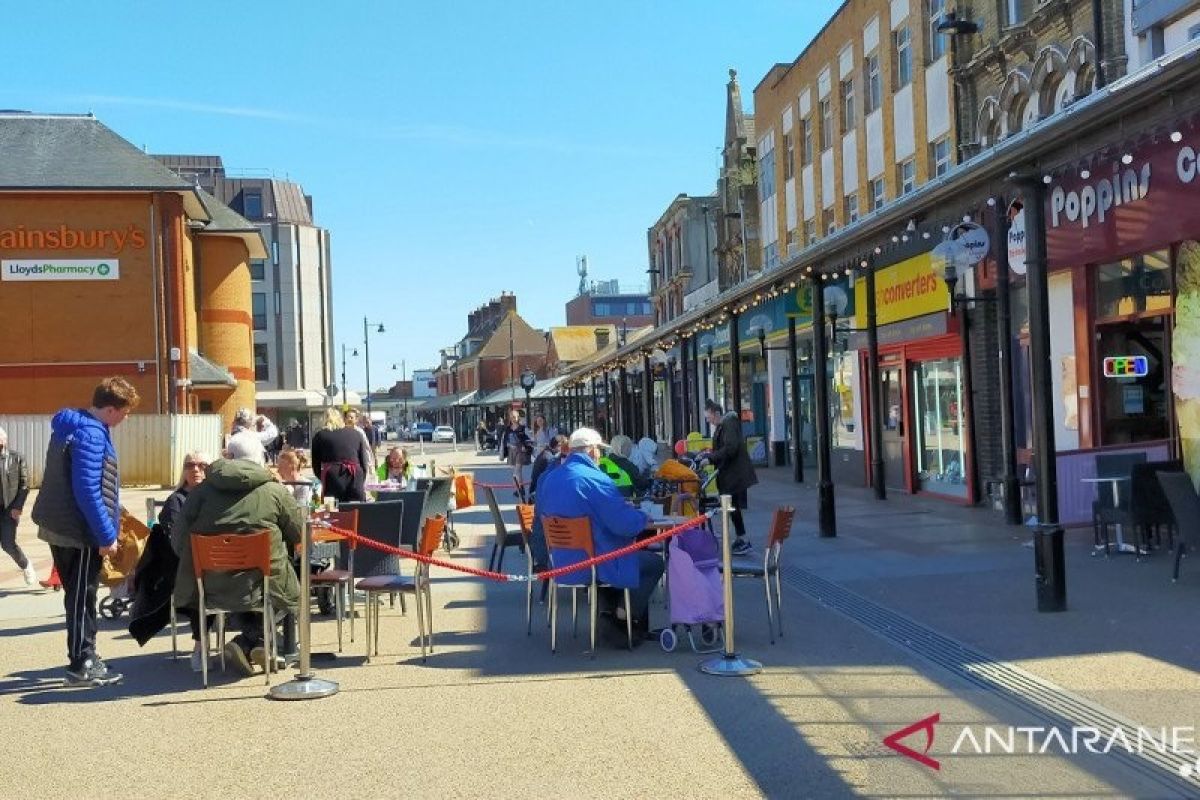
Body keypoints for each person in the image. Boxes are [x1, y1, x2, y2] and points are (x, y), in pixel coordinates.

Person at [31, 377, 139, 687]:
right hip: (77, 531)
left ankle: (86, 656)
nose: (126, 417)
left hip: (61, 524)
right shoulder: (91, 434)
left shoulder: (74, 424)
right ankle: (82, 663)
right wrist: (106, 536)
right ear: (109, 409)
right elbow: (88, 490)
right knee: (81, 598)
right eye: (124, 411)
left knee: (78, 596)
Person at [173, 432, 303, 676]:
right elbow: (299, 535)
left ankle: (250, 643)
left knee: (242, 586)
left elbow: (178, 539)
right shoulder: (274, 491)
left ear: (229, 457)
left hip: (211, 584)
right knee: (284, 588)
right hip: (266, 582)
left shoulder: (201, 493)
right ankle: (256, 642)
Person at [536, 428, 663, 644]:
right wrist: (643, 518)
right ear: (593, 451)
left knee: (616, 559)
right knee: (653, 563)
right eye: (599, 451)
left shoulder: (548, 479)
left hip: (561, 561)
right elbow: (622, 524)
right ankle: (621, 617)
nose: (600, 456)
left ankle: (611, 614)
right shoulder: (596, 479)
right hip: (595, 561)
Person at [157, 451, 213, 671]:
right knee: (201, 589)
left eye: (202, 465)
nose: (196, 469)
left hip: (216, 561)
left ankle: (250, 641)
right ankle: (200, 647)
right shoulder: (176, 501)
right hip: (185, 566)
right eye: (190, 465)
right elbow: (177, 544)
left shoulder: (216, 497)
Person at [703, 400, 758, 555]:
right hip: (730, 474)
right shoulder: (724, 425)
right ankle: (741, 538)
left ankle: (743, 539)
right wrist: (710, 454)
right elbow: (724, 447)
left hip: (734, 474)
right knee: (733, 508)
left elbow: (731, 448)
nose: (709, 422)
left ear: (716, 413)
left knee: (732, 507)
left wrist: (711, 458)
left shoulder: (728, 424)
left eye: (709, 418)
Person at [311, 408, 372, 503]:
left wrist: (324, 477)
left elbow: (316, 465)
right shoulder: (356, 433)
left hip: (333, 475)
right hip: (355, 474)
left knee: (334, 511)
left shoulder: (320, 436)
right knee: (356, 510)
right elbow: (363, 461)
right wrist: (361, 478)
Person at [0, 427, 36, 585]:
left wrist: (18, 507)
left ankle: (26, 565)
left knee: (8, 544)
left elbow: (24, 485)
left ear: (5, 440)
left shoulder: (17, 458)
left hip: (9, 509)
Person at [499, 408, 533, 492]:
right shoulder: (508, 429)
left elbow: (530, 440)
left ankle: (519, 489)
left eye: (514, 417)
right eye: (511, 417)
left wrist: (525, 446)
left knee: (517, 470)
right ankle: (520, 489)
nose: (513, 419)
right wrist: (503, 451)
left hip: (520, 451)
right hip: (511, 451)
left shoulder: (523, 428)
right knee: (517, 472)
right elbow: (504, 440)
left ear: (518, 417)